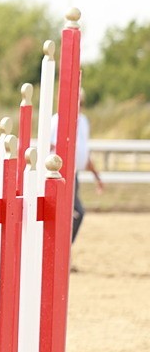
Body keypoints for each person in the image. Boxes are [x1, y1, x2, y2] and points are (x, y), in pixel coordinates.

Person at [50, 88, 105, 244]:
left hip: (73, 175)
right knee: (74, 213)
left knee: (75, 214)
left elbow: (84, 153)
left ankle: (63, 250)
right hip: (60, 175)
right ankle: (61, 249)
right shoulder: (57, 120)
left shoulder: (84, 122)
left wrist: (96, 176)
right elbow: (49, 146)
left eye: (81, 103)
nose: (79, 106)